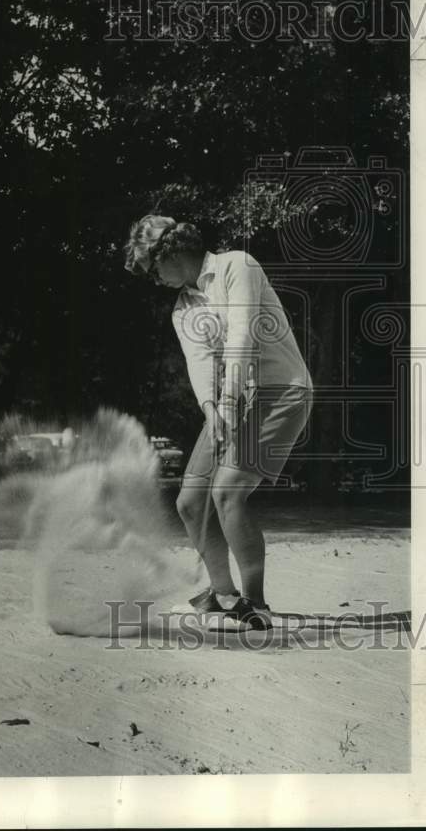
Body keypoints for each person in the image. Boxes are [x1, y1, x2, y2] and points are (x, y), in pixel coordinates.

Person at [124, 215, 314, 630]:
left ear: (170, 253)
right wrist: (213, 410)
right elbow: (200, 362)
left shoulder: (236, 265)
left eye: (152, 268)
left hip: (279, 390)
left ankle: (255, 605)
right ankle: (222, 596)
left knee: (227, 494)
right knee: (190, 503)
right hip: (232, 401)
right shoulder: (183, 307)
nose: (153, 279)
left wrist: (228, 403)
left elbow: (242, 336)